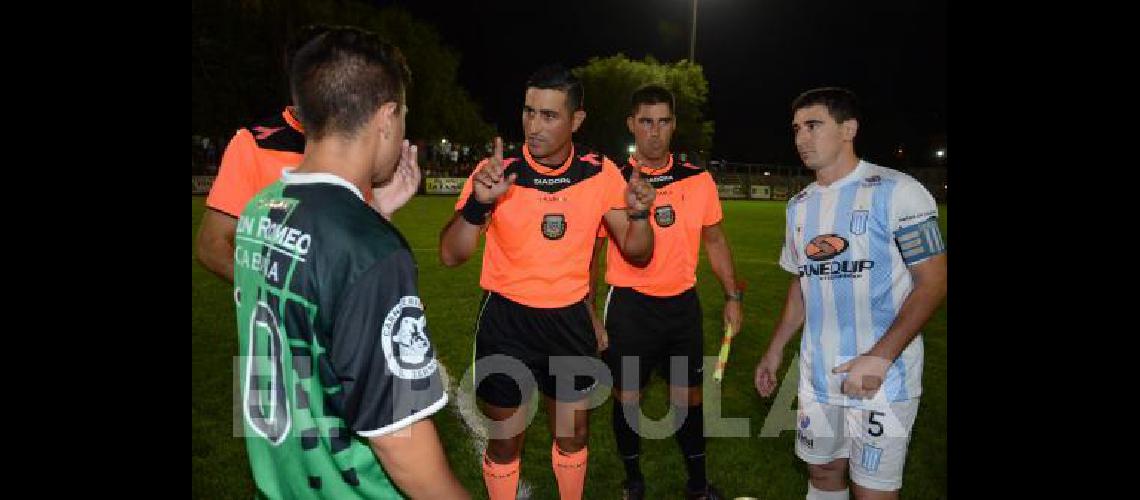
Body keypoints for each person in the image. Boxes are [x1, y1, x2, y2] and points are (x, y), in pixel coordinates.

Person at [233, 26, 467, 499]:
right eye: (402, 117)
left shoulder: (260, 208)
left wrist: (372, 213)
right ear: (385, 117)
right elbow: (398, 438)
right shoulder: (371, 252)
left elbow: (314, 301)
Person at [438, 64, 656, 500]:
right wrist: (480, 205)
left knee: (573, 437)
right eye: (528, 111)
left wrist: (638, 215)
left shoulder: (599, 173)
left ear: (576, 120)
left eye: (548, 115)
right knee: (504, 442)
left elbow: (638, 252)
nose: (533, 125)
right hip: (506, 319)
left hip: (569, 322)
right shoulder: (499, 171)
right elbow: (451, 254)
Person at [753, 87, 947, 500]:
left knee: (872, 491)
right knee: (823, 475)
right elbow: (801, 283)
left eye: (813, 125)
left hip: (884, 378)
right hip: (817, 376)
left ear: (848, 129)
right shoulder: (799, 206)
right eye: (796, 129)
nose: (801, 138)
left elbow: (934, 282)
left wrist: (881, 356)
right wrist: (775, 349)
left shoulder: (898, 191)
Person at [594, 84, 741, 500]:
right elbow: (593, 250)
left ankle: (697, 485)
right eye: (645, 122)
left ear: (673, 126)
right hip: (629, 306)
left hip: (681, 307)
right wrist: (589, 310)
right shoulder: (611, 181)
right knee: (627, 399)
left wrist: (732, 296)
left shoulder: (697, 180)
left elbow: (714, 240)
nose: (654, 132)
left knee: (689, 398)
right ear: (631, 125)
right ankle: (633, 482)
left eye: (662, 122)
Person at [196, 24, 405, 282]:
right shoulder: (254, 144)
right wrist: (274, 289)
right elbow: (211, 245)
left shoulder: (361, 145)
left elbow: (357, 243)